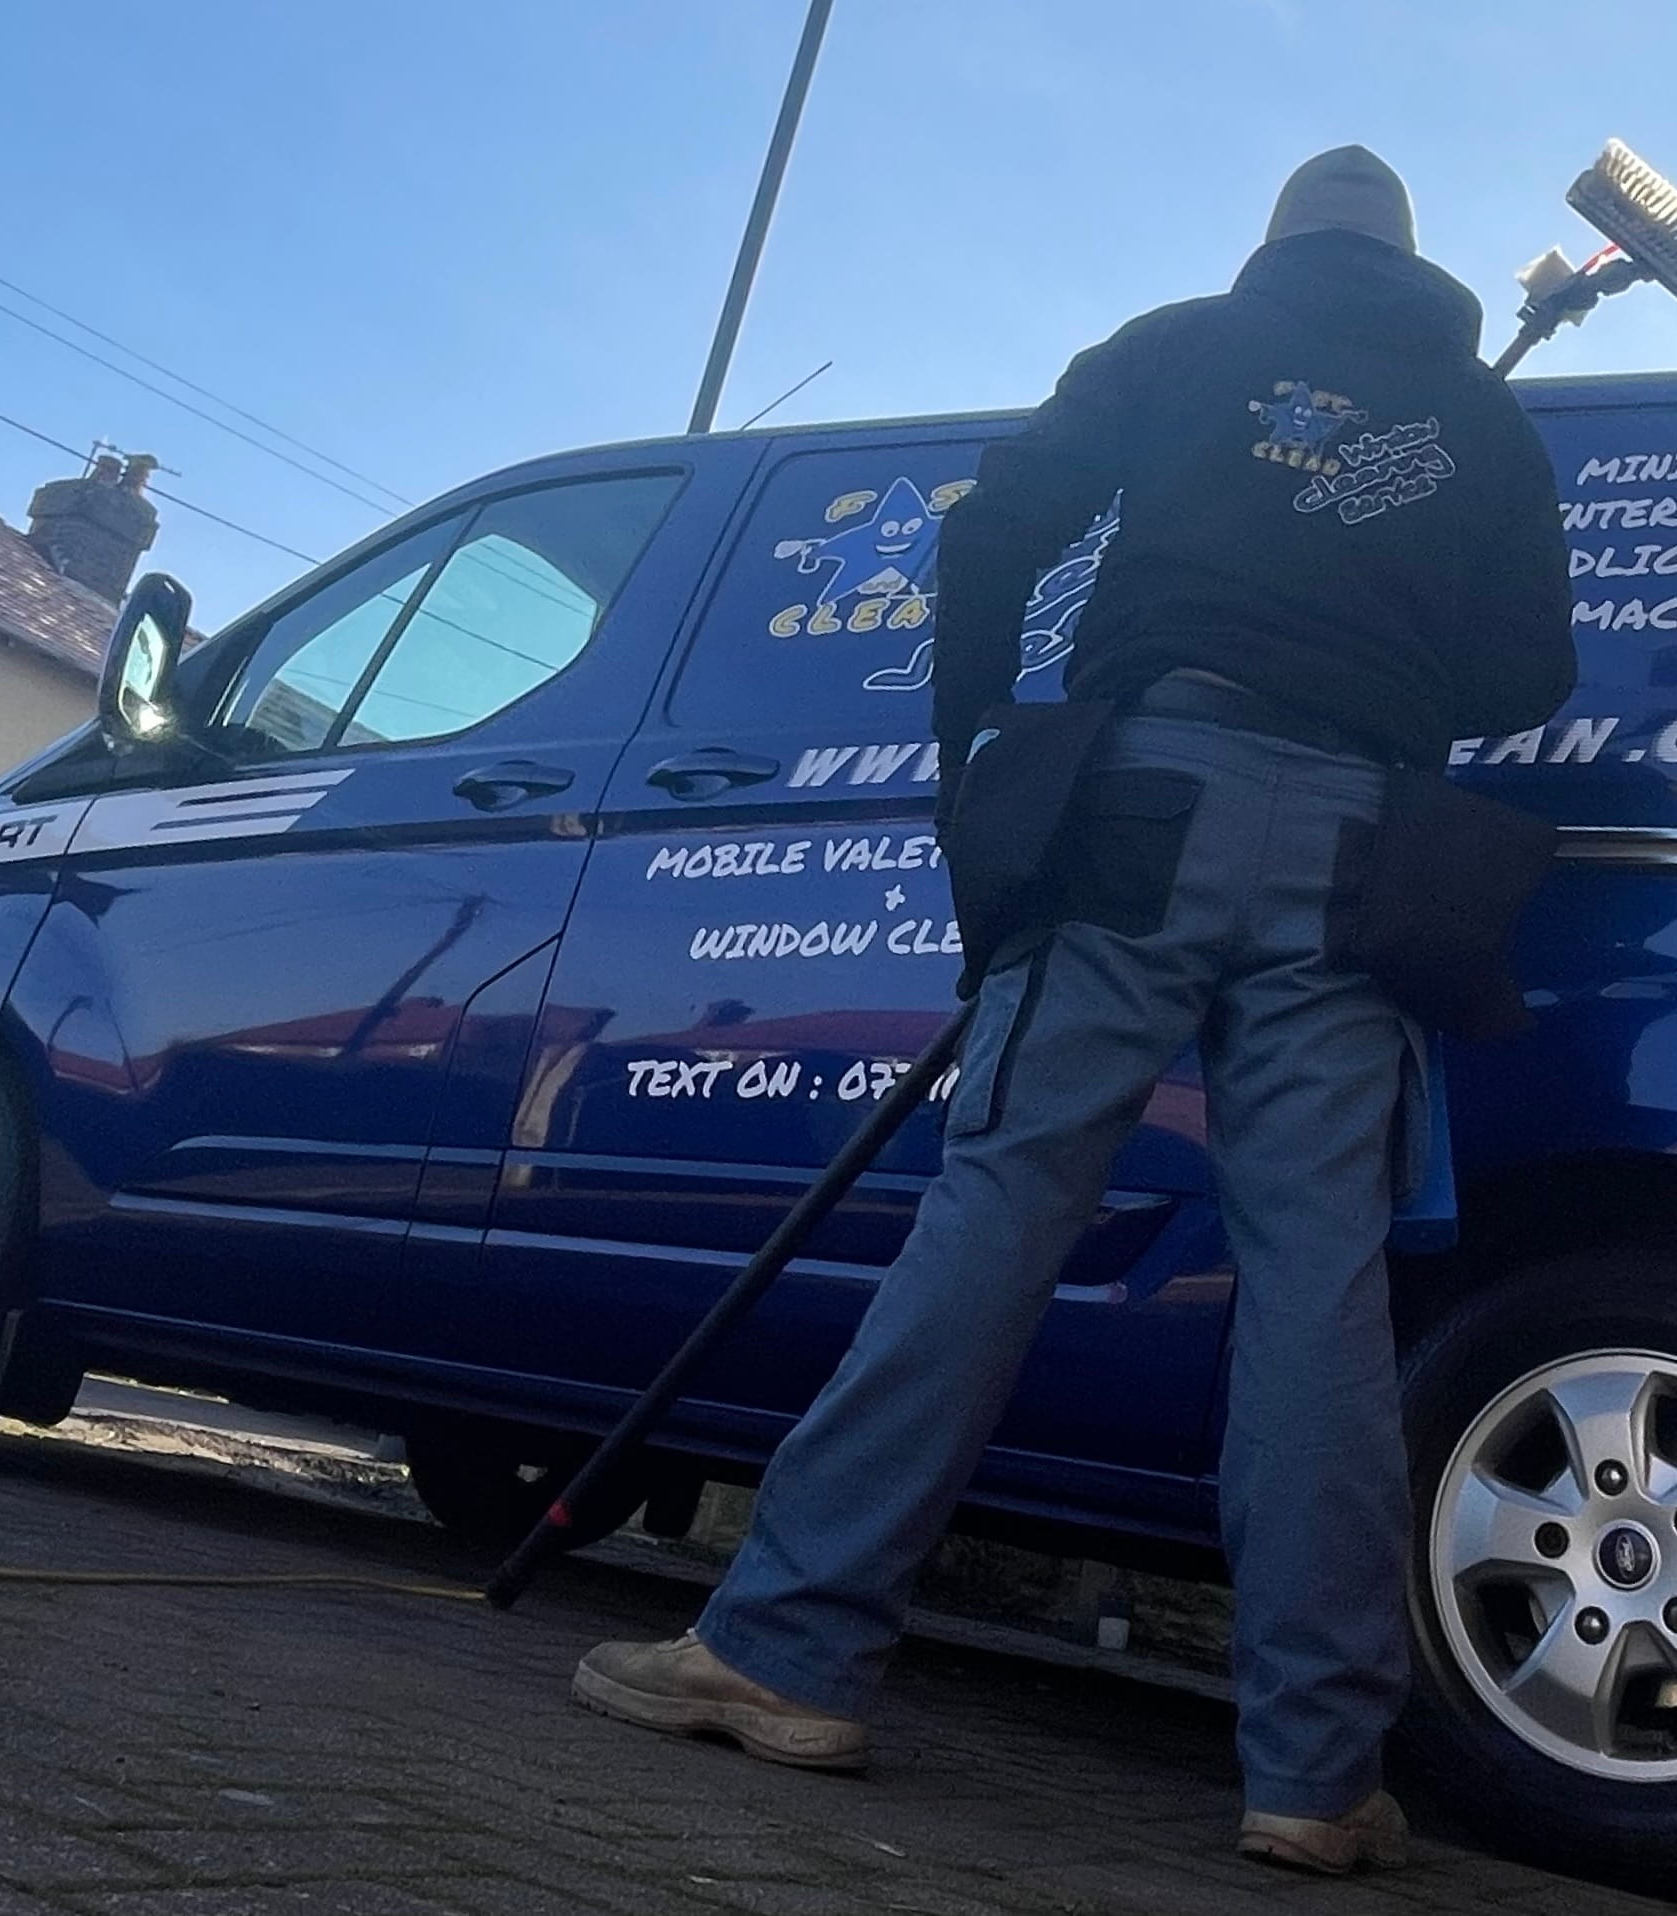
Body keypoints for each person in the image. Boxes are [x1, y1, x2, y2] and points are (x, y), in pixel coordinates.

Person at [575, 145, 1577, 1876]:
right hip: (1356, 848)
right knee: (1320, 1282)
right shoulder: (1477, 424)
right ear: (1411, 266)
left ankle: (786, 1654)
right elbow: (1530, 672)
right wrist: (1382, 634)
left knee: (1000, 1211)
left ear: (1276, 248)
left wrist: (980, 751)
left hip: (1140, 801)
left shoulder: (1181, 346)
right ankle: (1317, 1775)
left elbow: (1004, 531)